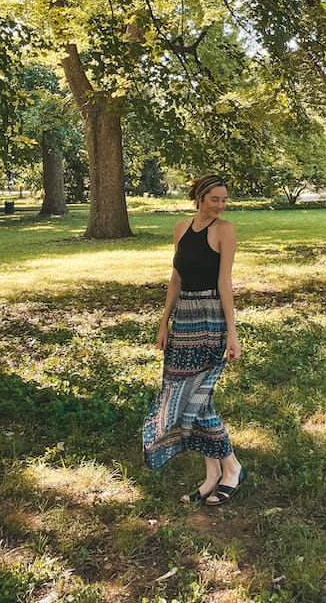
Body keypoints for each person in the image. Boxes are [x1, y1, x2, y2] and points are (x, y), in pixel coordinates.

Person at [142, 174, 247, 506]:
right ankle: (214, 474)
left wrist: (232, 332)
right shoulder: (180, 228)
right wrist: (164, 323)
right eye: (215, 199)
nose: (220, 205)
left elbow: (225, 283)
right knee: (190, 398)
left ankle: (231, 468)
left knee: (197, 397)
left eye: (224, 200)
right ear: (199, 198)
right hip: (183, 320)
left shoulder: (224, 231)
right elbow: (176, 278)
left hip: (210, 320)